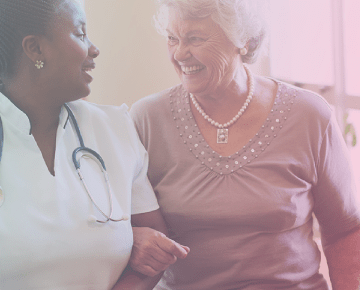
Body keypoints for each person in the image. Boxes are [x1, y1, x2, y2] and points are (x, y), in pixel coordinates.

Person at [0, 0, 189, 289]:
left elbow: (155, 243)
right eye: (80, 34)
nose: (94, 49)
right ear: (35, 49)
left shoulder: (115, 128)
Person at [129, 0, 360, 289]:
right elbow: (121, 227)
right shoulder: (146, 120)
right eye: (172, 39)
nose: (179, 53)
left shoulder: (309, 115)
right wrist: (133, 239)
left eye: (195, 38)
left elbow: (346, 229)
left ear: (244, 40)